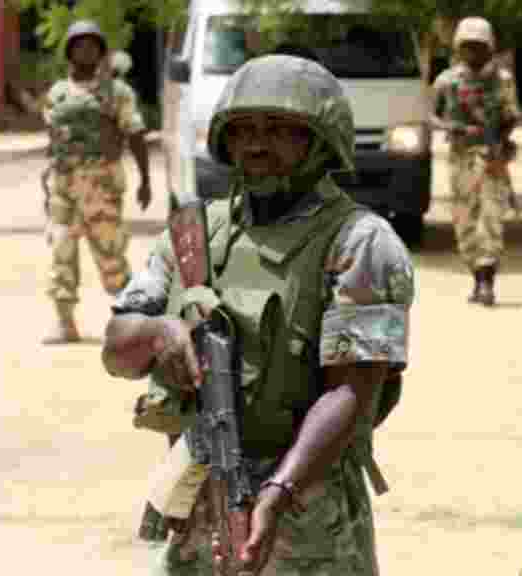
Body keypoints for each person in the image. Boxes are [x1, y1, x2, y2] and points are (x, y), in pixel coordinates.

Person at [100, 54, 414, 575]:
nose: (257, 144)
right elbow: (116, 347)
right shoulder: (192, 234)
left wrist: (277, 492)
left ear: (321, 140)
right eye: (243, 129)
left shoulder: (359, 241)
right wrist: (161, 333)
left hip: (308, 507)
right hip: (200, 490)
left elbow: (352, 388)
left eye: (281, 130)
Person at [42, 19, 152, 344]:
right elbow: (53, 139)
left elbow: (135, 134)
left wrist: (146, 180)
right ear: (69, 51)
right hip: (63, 186)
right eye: (79, 44)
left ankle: (132, 323)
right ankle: (65, 322)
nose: (85, 50)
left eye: (92, 45)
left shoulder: (116, 93)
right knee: (61, 252)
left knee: (111, 256)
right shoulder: (58, 94)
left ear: (101, 52)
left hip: (101, 186)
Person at [431, 16, 519, 306]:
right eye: (467, 46)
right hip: (460, 157)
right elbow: (432, 116)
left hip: (491, 158)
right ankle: (476, 273)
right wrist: (453, 128)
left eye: (479, 46)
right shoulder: (447, 81)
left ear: (489, 48)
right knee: (464, 223)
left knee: (491, 218)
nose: (473, 52)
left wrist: (501, 141)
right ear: (458, 47)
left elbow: (511, 116)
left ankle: (486, 281)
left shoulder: (502, 80)